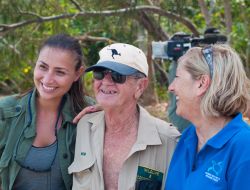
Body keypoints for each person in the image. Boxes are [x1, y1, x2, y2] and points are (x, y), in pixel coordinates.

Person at [68, 43, 180, 190]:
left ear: (140, 86)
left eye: (117, 76)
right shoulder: (83, 127)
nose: (106, 82)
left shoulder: (170, 141)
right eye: (100, 73)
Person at [0, 34, 95, 190]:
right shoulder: (5, 111)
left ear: (78, 74)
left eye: (60, 72)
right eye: (43, 67)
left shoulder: (88, 114)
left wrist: (109, 113)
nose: (48, 79)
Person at [165, 44, 250, 190]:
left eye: (177, 77)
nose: (171, 87)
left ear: (202, 83)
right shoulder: (188, 137)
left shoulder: (244, 147)